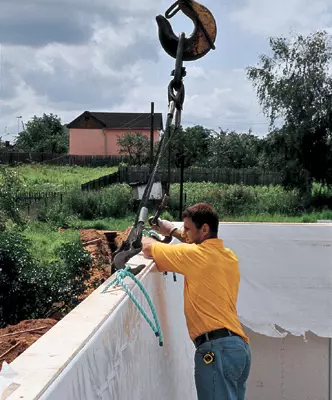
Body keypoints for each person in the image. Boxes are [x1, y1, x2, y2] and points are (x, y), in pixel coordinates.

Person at [142, 203, 251, 400]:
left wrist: (145, 234)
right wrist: (172, 230)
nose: (185, 233)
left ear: (205, 228)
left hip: (216, 350)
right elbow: (195, 243)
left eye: (188, 228)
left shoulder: (194, 255)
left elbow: (149, 249)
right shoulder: (228, 257)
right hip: (238, 350)